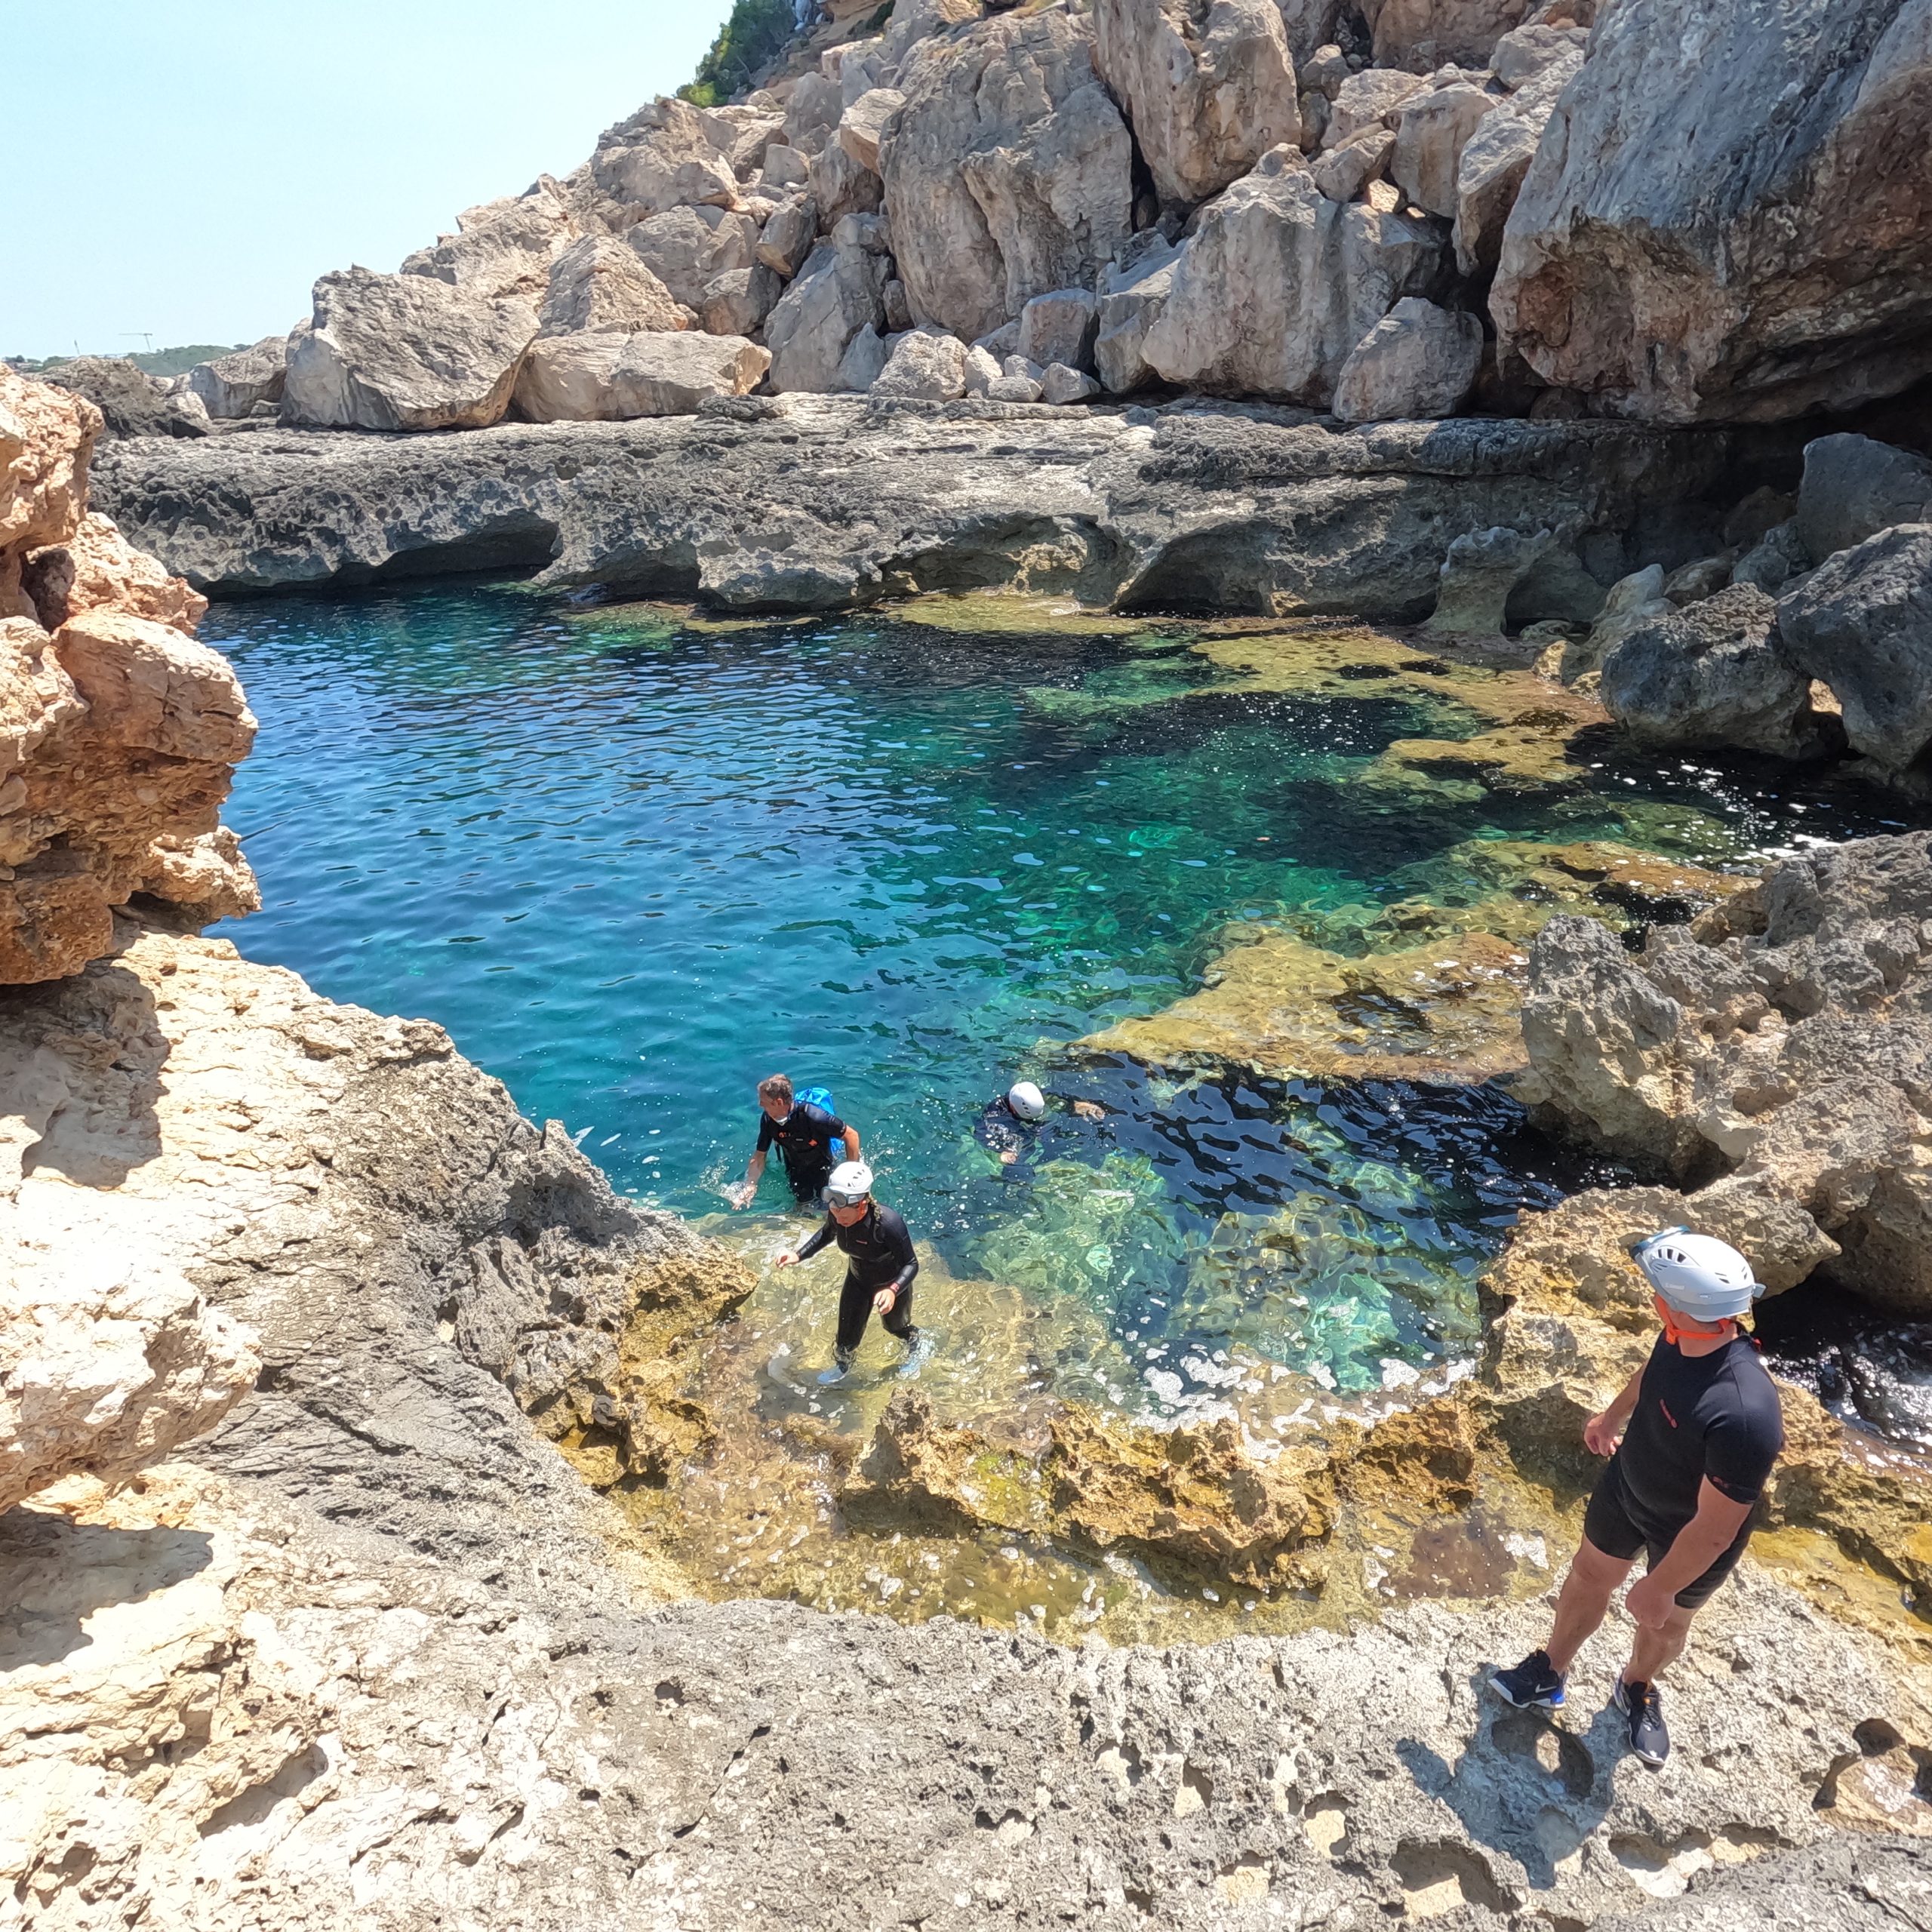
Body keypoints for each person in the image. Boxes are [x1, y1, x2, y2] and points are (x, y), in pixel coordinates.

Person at [1487, 1227, 1783, 1770]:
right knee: (1588, 1574)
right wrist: (1611, 1416)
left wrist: (1662, 1585)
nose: (1652, 1298)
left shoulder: (1745, 1414)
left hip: (1689, 1533)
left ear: (1677, 1305)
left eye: (1658, 1291)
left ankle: (1637, 1686)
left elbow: (1715, 1530)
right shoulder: (1683, 1333)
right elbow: (1656, 1371)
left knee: (1664, 1623)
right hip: (1629, 1485)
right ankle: (1551, 1670)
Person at [774, 1161, 928, 1384]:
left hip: (891, 1283)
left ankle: (917, 1344)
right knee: (846, 1336)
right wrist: (798, 1255)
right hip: (858, 1280)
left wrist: (893, 1290)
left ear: (862, 1203)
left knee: (896, 1328)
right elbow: (826, 1234)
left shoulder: (888, 1224)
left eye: (842, 1209)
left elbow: (911, 1264)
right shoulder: (837, 1214)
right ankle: (843, 1366)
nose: (836, 1214)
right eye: (832, 1207)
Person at [731, 1074, 861, 1210]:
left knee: (828, 1206)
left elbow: (851, 1136)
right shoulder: (768, 1120)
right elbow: (759, 1156)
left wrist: (851, 1173)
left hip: (823, 1167)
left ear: (779, 1102)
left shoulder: (813, 1116)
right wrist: (750, 1185)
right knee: (803, 1207)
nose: (760, 1104)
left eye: (764, 1101)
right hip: (795, 1171)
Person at [974, 1080, 1108, 1168]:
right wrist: (1004, 1151)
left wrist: (1073, 1105)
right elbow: (981, 1132)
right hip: (1015, 1125)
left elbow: (1053, 1095)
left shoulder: (1034, 1094)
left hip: (1029, 1119)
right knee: (1027, 1151)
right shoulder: (995, 1115)